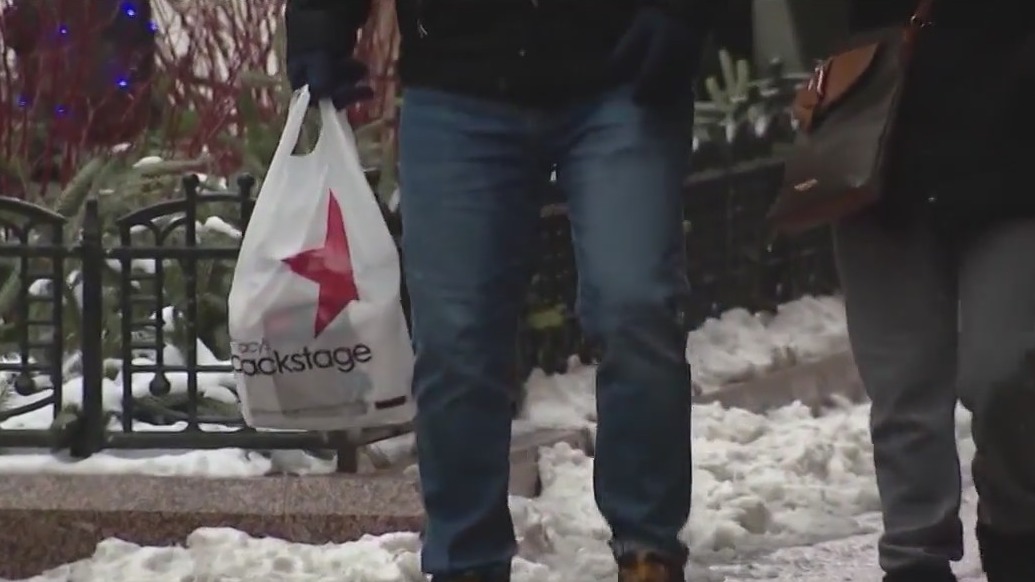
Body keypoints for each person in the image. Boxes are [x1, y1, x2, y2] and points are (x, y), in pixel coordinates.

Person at [283, 1, 719, 581]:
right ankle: (466, 560)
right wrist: (320, 21)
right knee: (455, 341)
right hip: (459, 80)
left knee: (634, 306)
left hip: (621, 71)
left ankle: (649, 550)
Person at [839, 1, 1035, 581]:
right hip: (884, 133)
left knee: (1005, 373)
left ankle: (1016, 527)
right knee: (903, 397)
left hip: (1015, 145)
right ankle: (913, 559)